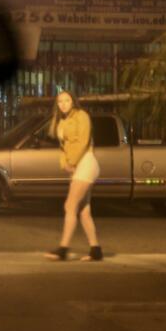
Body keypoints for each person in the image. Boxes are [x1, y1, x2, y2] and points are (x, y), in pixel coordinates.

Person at [44, 90, 103, 261]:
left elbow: (83, 141)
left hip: (86, 162)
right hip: (76, 165)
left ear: (73, 101)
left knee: (69, 206)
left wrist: (74, 162)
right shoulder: (61, 121)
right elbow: (63, 147)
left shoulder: (81, 115)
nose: (63, 104)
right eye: (60, 101)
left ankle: (63, 248)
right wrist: (65, 164)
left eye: (67, 100)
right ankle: (95, 250)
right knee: (84, 210)